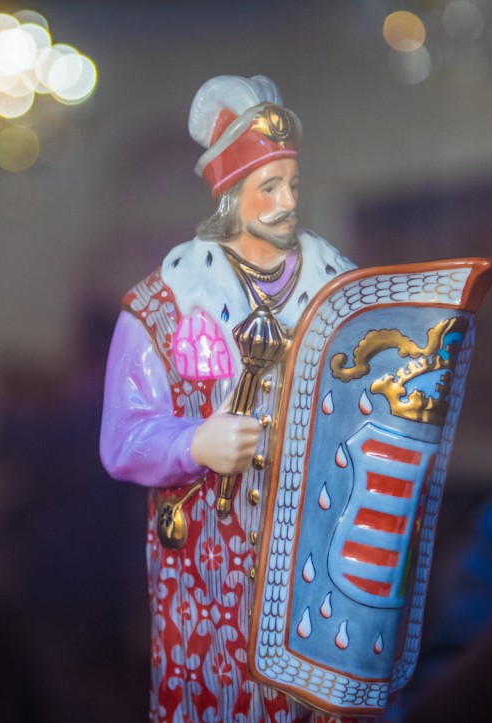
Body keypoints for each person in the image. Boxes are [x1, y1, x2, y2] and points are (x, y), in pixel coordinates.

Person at [100, 76, 373, 721]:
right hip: (209, 569)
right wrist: (193, 442)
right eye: (268, 187)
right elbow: (122, 439)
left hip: (324, 560)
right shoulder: (164, 305)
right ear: (230, 193)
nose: (287, 202)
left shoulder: (341, 291)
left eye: (292, 184)